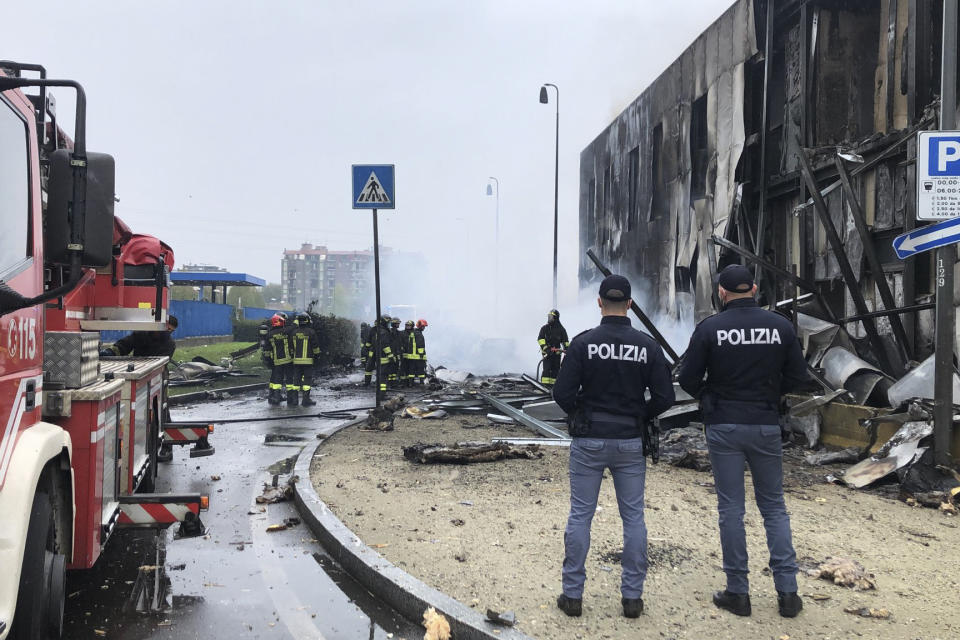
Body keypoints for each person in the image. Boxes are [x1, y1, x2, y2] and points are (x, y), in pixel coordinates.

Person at [677, 264, 808, 619]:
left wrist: (710, 395)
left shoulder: (710, 328)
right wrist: (770, 395)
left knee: (731, 509)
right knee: (774, 508)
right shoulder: (780, 326)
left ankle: (738, 592)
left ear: (722, 293)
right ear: (754, 288)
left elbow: (687, 377)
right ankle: (788, 594)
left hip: (724, 425)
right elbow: (799, 376)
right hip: (765, 423)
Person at [552, 275, 674, 619]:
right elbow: (665, 397)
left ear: (599, 303)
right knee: (633, 518)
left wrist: (582, 412)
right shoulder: (647, 346)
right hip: (629, 442)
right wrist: (639, 415)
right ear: (631, 305)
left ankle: (573, 596)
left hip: (589, 440)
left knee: (580, 515)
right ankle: (632, 599)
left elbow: (560, 394)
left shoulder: (583, 343)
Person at [101, 315, 179, 357]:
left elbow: (161, 364)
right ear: (161, 324)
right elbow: (124, 345)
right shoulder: (141, 334)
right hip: (137, 367)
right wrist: (111, 352)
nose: (169, 332)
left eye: (171, 330)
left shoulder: (170, 344)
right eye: (167, 328)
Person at [290, 312, 321, 406]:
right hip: (308, 361)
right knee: (307, 381)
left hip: (296, 361)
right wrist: (317, 356)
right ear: (307, 321)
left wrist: (293, 357)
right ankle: (305, 400)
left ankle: (295, 400)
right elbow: (315, 347)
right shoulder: (311, 332)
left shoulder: (293, 332)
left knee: (296, 380)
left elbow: (291, 348)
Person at [263, 313, 294, 406]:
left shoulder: (270, 334)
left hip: (277, 362)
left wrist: (269, 361)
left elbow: (267, 350)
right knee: (289, 380)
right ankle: (290, 398)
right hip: (288, 360)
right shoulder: (286, 331)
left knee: (277, 380)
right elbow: (294, 327)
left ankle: (276, 397)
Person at [537, 309, 569, 386]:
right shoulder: (545, 328)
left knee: (555, 371)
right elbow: (540, 339)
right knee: (546, 371)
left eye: (551, 317)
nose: (549, 318)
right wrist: (546, 348)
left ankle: (554, 388)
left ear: (556, 318)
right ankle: (544, 387)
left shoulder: (561, 330)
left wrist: (567, 350)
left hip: (556, 355)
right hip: (547, 354)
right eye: (549, 316)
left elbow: (565, 342)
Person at [401, 320, 417, 386]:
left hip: (412, 355)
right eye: (406, 325)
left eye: (409, 325)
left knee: (411, 369)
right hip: (404, 354)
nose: (407, 326)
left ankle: (411, 383)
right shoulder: (402, 333)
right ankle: (404, 383)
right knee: (404, 368)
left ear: (412, 326)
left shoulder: (415, 333)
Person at [413, 318, 428, 384]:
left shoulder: (415, 332)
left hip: (415, 356)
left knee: (415, 370)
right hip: (419, 356)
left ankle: (415, 383)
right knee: (421, 370)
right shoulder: (418, 334)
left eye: (424, 326)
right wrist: (422, 355)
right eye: (423, 326)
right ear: (419, 326)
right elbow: (420, 345)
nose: (424, 328)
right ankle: (421, 383)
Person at [389, 317, 403, 387]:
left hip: (396, 353)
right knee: (391, 368)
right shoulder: (390, 332)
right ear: (393, 324)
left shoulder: (398, 332)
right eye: (397, 323)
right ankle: (389, 382)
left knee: (395, 367)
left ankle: (393, 381)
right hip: (391, 353)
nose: (398, 324)